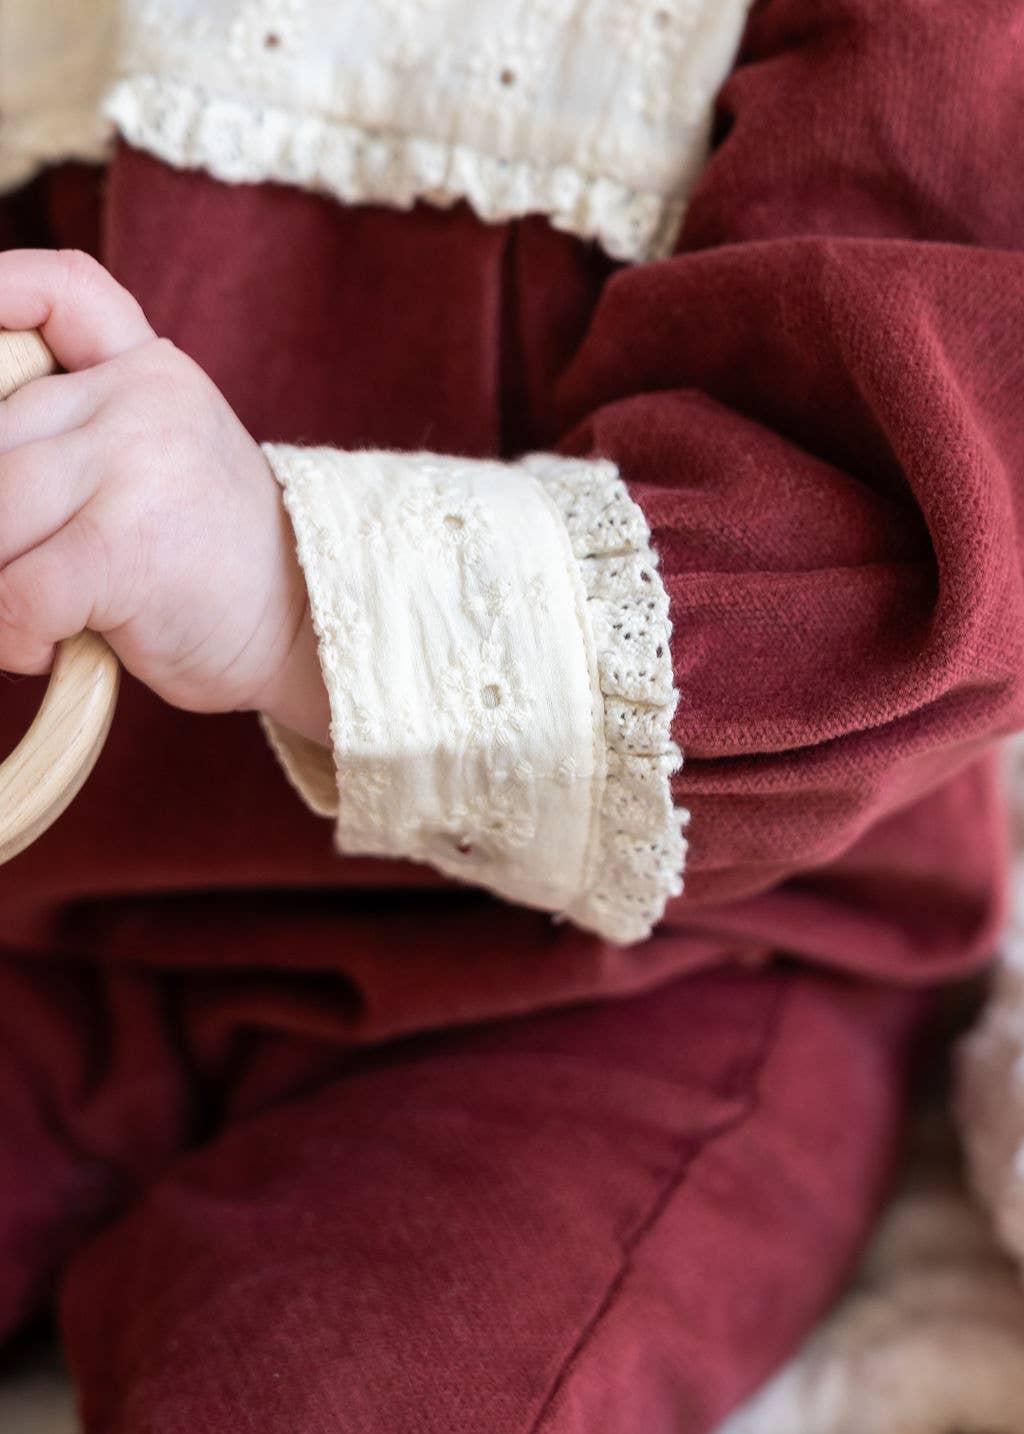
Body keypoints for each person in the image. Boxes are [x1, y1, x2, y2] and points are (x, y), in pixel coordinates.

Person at [0, 0, 1019, 1429]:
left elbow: (887, 525)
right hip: (48, 910)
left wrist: (287, 581)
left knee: (357, 1391)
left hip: (621, 973)